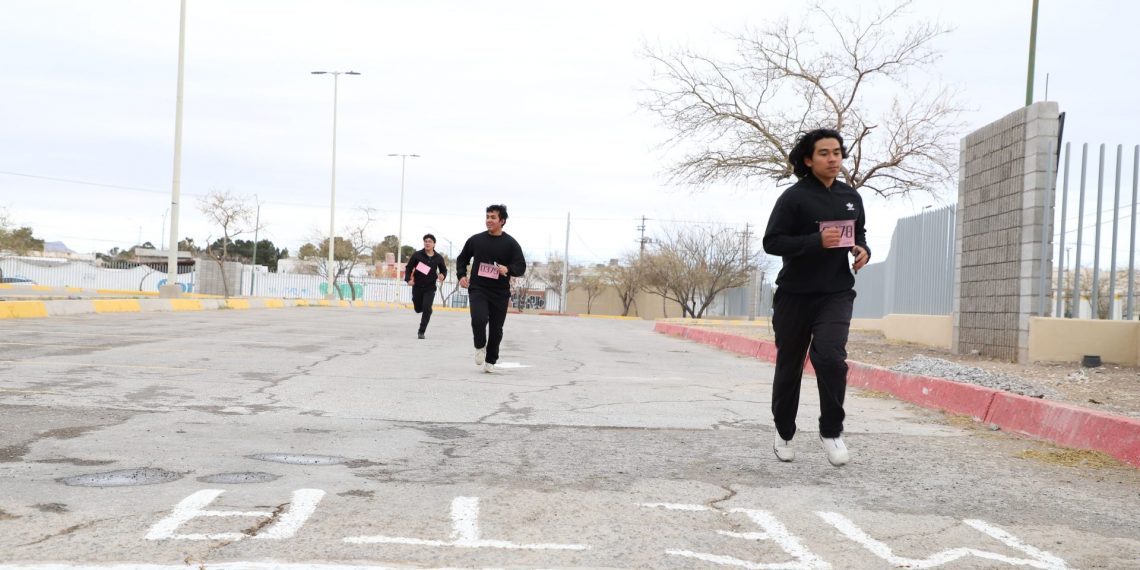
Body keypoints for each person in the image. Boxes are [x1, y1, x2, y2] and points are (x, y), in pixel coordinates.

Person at [762, 128, 870, 466]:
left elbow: (860, 234)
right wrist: (814, 242)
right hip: (794, 295)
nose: (833, 159)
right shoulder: (793, 198)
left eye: (837, 152)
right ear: (808, 160)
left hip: (836, 292)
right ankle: (784, 430)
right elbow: (772, 242)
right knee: (790, 366)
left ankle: (831, 430)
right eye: (824, 153)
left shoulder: (851, 197)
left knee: (830, 357)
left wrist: (862, 249)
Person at [455, 204, 526, 373]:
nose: (489, 220)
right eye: (487, 217)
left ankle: (491, 359)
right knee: (478, 319)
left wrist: (508, 269)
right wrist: (461, 275)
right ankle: (480, 345)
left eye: (493, 217)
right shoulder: (476, 240)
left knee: (496, 329)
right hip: (478, 288)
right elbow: (462, 258)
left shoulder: (511, 243)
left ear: (502, 221)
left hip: (500, 292)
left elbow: (521, 266)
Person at [404, 234, 448, 339]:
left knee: (427, 308)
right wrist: (408, 279)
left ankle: (421, 331)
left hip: (430, 287)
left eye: (430, 241)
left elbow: (444, 270)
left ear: (434, 244)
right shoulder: (417, 255)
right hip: (417, 286)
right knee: (418, 308)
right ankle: (424, 309)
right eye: (425, 241)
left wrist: (442, 275)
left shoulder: (438, 258)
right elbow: (409, 267)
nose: (427, 243)